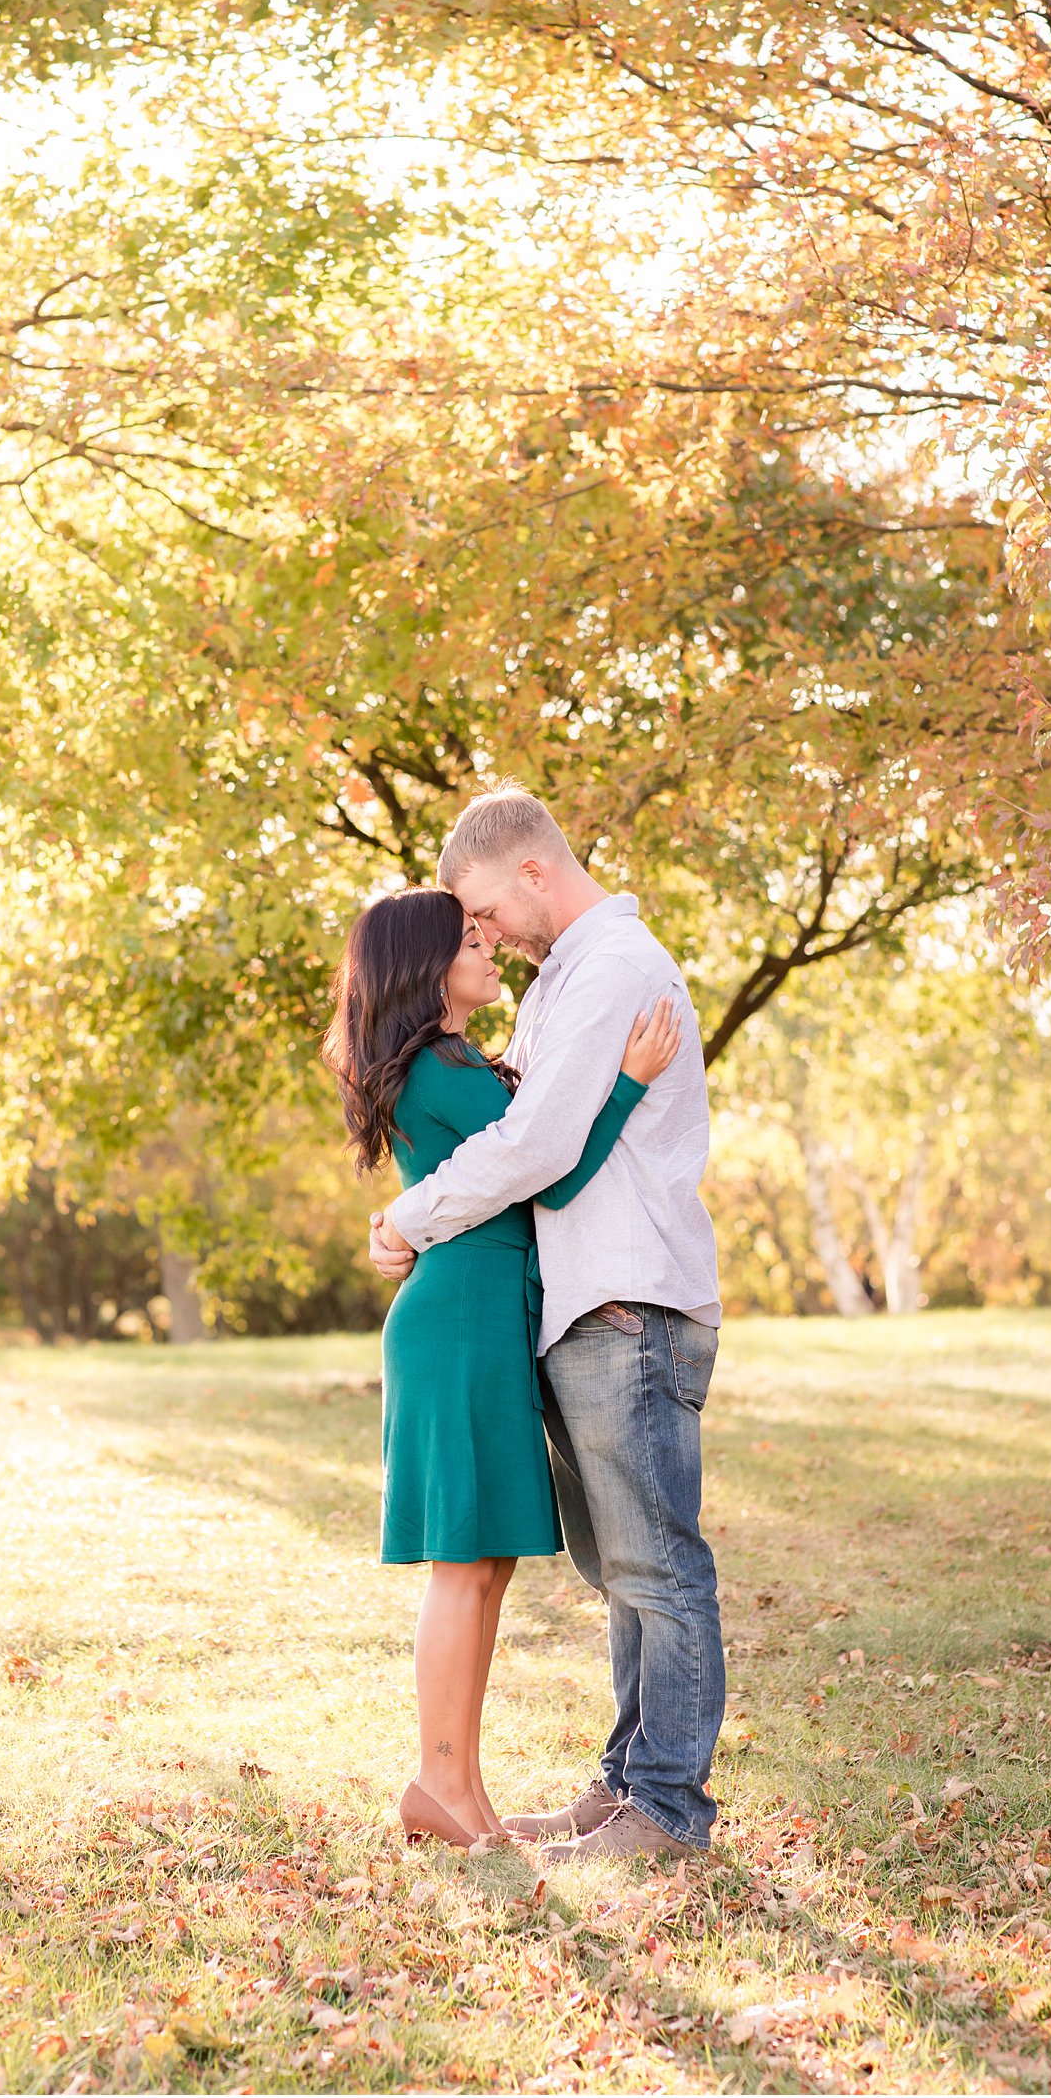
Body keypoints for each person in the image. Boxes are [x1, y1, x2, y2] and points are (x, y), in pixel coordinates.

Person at [368, 782, 725, 1866]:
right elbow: (522, 1125)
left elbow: (537, 1152)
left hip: (625, 1302)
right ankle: (625, 1786)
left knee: (655, 1566)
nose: (477, 934)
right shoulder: (557, 985)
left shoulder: (610, 971)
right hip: (575, 1306)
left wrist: (407, 1217)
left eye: (480, 911)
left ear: (532, 870)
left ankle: (664, 1808)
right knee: (621, 1568)